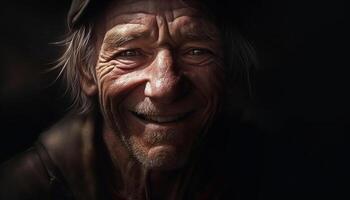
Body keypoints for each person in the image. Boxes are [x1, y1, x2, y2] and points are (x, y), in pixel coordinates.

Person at [0, 0, 258, 199]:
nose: (164, 86)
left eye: (196, 50)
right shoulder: (26, 188)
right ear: (86, 72)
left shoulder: (275, 172)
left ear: (227, 66)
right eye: (130, 53)